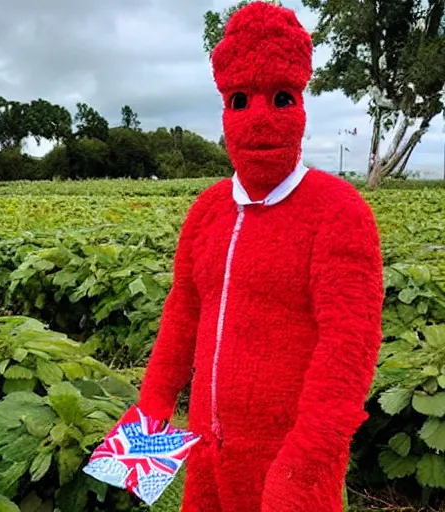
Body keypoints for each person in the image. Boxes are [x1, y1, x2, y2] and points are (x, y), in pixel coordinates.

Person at [138, 2, 384, 511]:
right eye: (240, 101)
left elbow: (348, 349)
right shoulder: (208, 211)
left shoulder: (338, 211)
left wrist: (303, 465)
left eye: (281, 98)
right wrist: (153, 405)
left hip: (289, 462)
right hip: (207, 451)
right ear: (225, 109)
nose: (260, 121)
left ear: (301, 104)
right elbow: (183, 314)